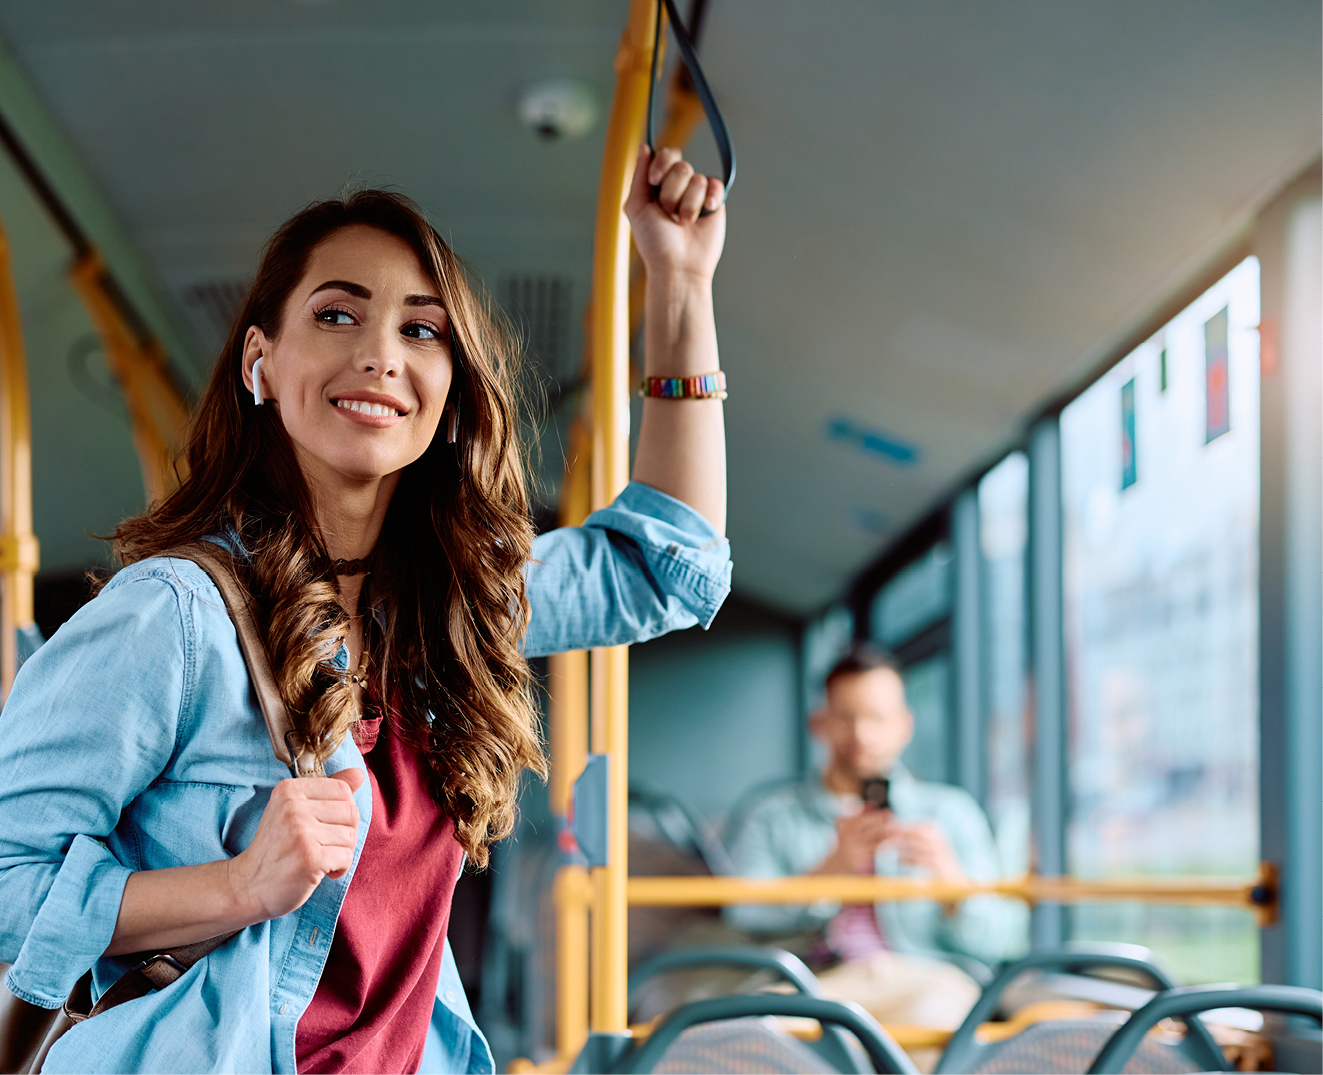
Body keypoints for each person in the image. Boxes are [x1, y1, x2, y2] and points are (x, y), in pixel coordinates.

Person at [0, 144, 727, 1075]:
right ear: (261, 360)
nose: (380, 354)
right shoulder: (173, 617)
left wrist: (678, 279)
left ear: (451, 392)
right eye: (337, 314)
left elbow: (668, 567)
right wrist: (237, 886)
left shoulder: (447, 610)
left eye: (422, 332)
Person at [725, 646, 1024, 1031]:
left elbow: (997, 940)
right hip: (813, 983)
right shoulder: (772, 814)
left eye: (877, 718)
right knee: (755, 1036)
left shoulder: (950, 813)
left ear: (905, 724)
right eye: (846, 718)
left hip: (926, 982)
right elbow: (744, 917)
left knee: (934, 1023)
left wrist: (952, 886)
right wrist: (830, 872)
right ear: (819, 723)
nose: (861, 734)